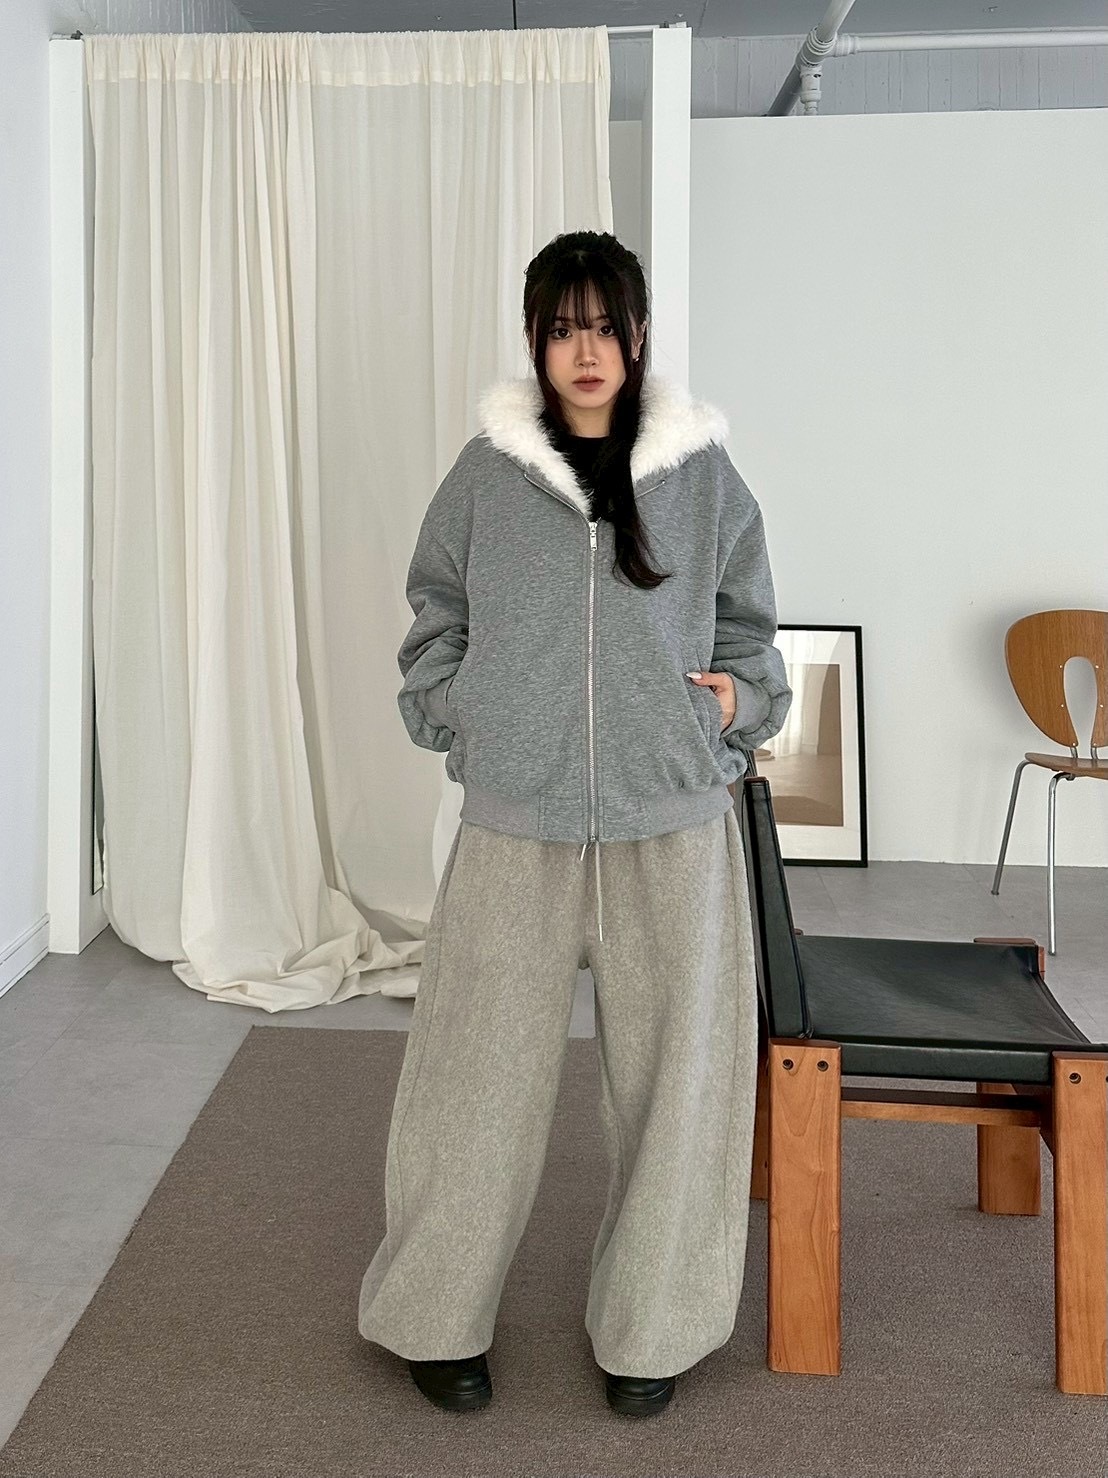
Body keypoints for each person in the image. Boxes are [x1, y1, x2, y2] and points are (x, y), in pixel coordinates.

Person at [358, 230, 792, 1419]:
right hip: (518, 819)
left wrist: (734, 704)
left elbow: (752, 629)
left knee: (676, 1087)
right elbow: (433, 618)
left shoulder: (702, 477)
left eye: (603, 326)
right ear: (536, 342)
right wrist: (468, 713)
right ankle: (434, 1315)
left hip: (671, 821)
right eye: (561, 328)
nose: (584, 350)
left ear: (637, 335)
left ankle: (653, 1326)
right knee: (473, 1080)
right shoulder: (487, 476)